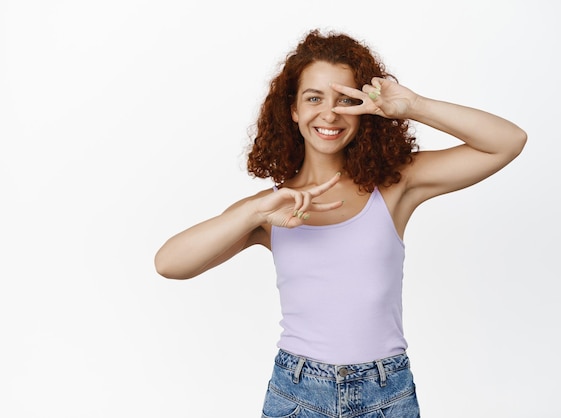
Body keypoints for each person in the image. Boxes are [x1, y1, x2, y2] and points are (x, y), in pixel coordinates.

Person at [154, 29, 526, 418]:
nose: (329, 114)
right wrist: (252, 212)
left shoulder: (396, 185)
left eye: (345, 100)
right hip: (297, 393)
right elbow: (169, 263)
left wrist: (414, 105)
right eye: (314, 98)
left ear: (363, 106)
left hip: (386, 392)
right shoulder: (270, 209)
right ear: (293, 109)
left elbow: (507, 141)